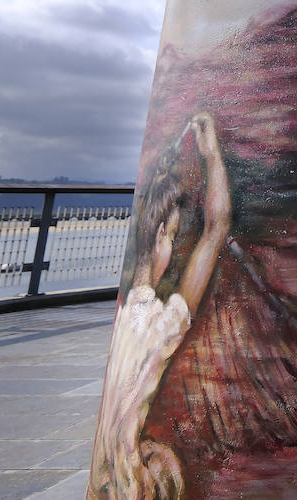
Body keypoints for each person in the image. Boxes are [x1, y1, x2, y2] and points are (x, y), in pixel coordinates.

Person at [89, 113, 233, 499]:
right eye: (171, 235)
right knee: (167, 469)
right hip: (127, 485)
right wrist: (213, 155)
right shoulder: (158, 326)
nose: (173, 244)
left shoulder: (122, 316)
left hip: (102, 481)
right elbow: (216, 229)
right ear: (157, 239)